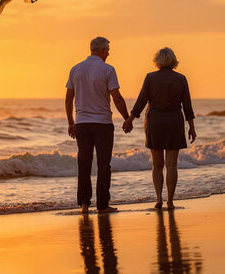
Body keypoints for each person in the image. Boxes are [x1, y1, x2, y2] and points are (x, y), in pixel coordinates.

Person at [122, 47, 196, 210]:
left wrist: (130, 119)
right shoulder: (181, 79)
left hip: (155, 121)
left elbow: (141, 101)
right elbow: (187, 106)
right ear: (173, 60)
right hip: (174, 121)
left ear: (158, 61)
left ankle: (158, 199)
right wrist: (192, 127)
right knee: (172, 164)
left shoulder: (150, 78)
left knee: (157, 164)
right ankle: (170, 201)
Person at [66, 37, 129, 214]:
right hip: (102, 124)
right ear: (102, 51)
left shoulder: (75, 69)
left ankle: (84, 205)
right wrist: (126, 118)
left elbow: (68, 98)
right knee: (103, 165)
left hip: (82, 124)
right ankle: (102, 205)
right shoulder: (108, 69)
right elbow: (116, 97)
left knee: (84, 163)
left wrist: (71, 122)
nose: (109, 53)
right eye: (108, 50)